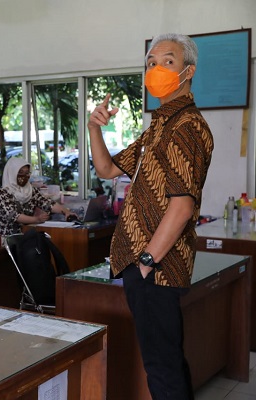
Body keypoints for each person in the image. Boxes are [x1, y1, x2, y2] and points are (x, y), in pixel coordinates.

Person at [87, 33, 214, 399]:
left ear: (187, 71)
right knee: (165, 360)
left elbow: (182, 205)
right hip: (146, 265)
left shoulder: (186, 126)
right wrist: (95, 128)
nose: (156, 69)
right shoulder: (158, 126)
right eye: (151, 62)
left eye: (167, 61)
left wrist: (145, 261)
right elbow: (109, 169)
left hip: (155, 267)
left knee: (161, 367)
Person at [0, 157, 74, 236]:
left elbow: (47, 203)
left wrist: (66, 211)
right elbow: (13, 216)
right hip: (5, 238)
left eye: (27, 173)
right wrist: (36, 219)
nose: (24, 176)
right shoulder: (3, 193)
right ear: (12, 173)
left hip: (26, 236)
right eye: (21, 172)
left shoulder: (31, 190)